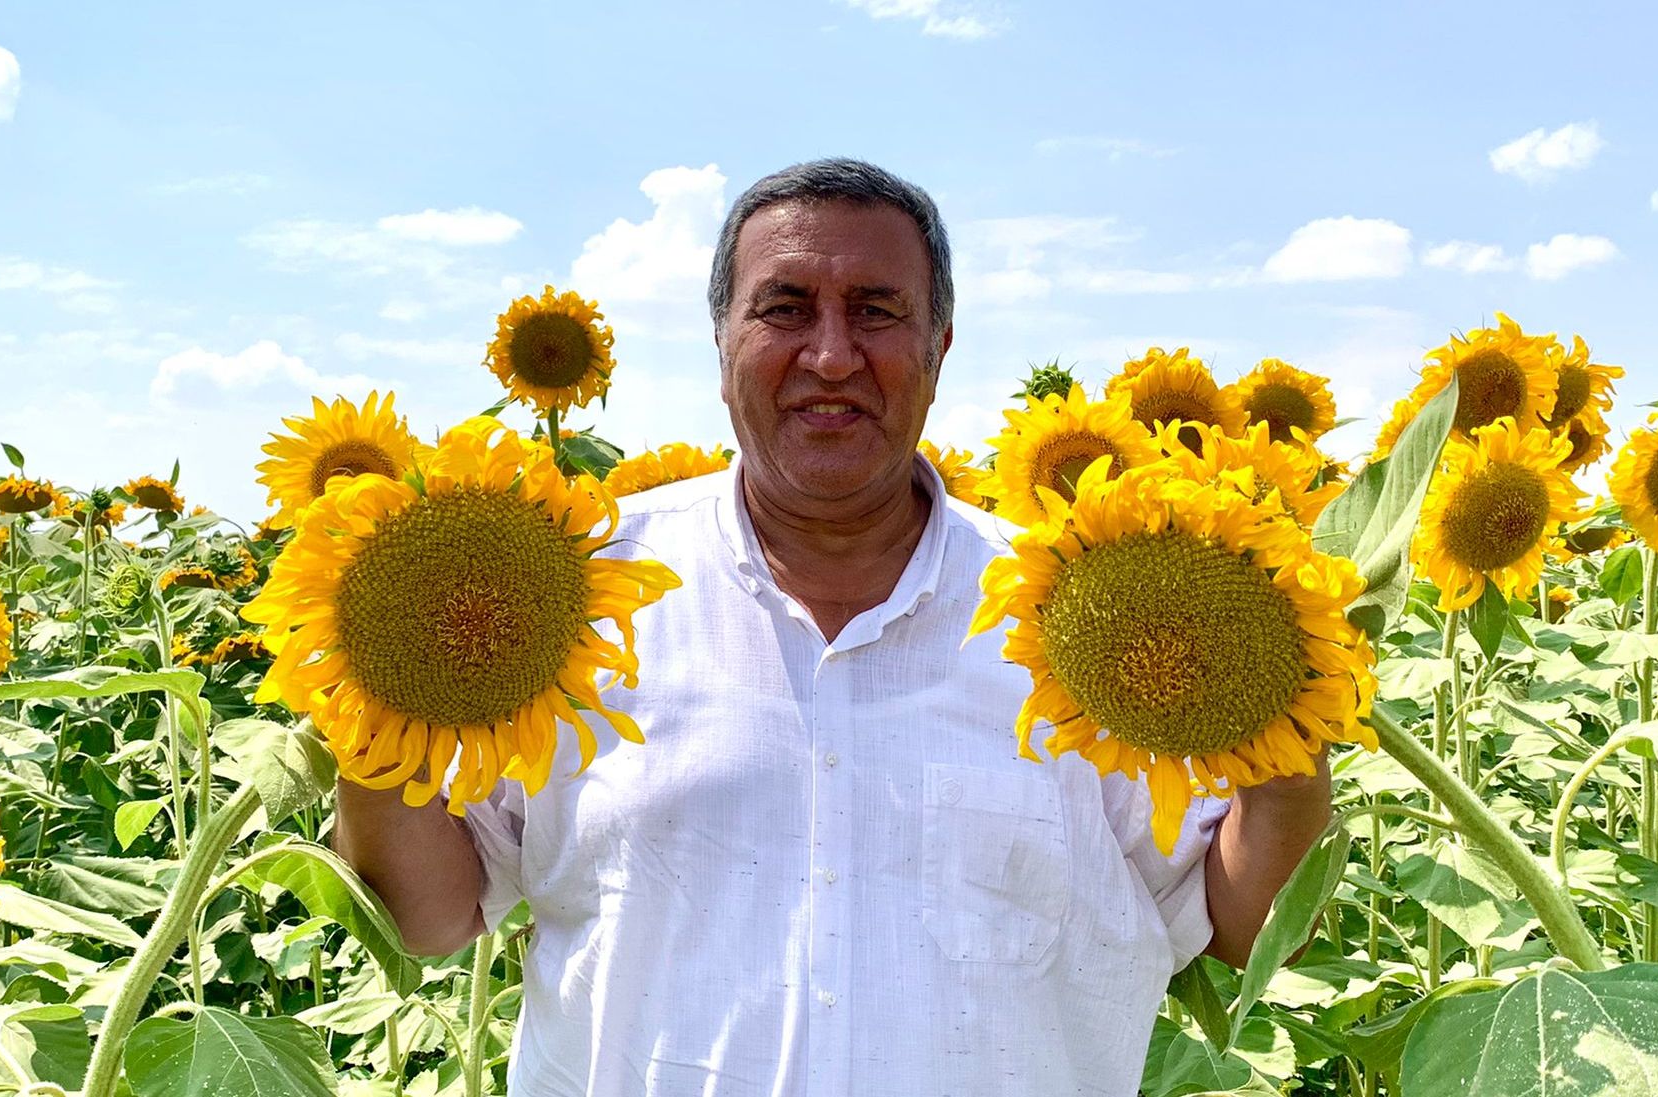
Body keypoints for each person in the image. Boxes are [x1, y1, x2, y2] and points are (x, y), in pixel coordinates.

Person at [334, 158, 1333, 1096]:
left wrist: (1282, 726)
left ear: (937, 348)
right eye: (782, 309)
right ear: (721, 339)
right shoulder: (566, 593)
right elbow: (427, 915)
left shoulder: (1093, 611)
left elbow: (1243, 926)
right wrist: (378, 679)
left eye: (876, 311)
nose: (828, 354)